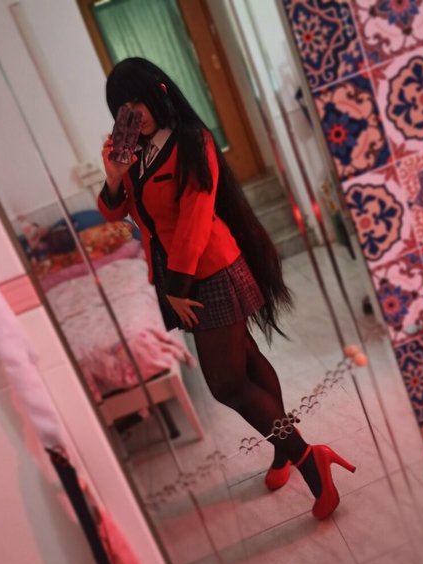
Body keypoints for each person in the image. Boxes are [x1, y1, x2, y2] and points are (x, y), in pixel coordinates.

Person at [98, 57, 355, 519]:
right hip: (183, 279)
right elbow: (117, 213)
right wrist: (115, 177)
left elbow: (195, 219)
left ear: (159, 90)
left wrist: (177, 287)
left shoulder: (192, 140)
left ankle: (308, 458)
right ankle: (284, 449)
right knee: (248, 363)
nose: (133, 113)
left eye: (137, 100)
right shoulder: (135, 153)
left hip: (211, 272)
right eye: (122, 108)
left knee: (226, 384)